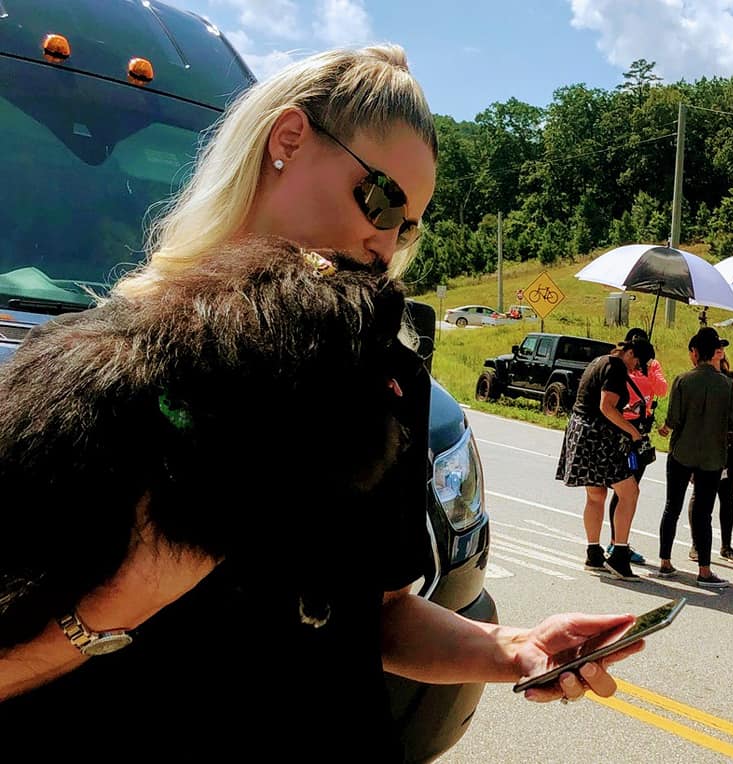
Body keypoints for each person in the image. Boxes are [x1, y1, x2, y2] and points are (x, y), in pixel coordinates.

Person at [0, 45, 644, 752]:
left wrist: (513, 649)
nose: (386, 241)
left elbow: (379, 614)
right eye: (381, 198)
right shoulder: (95, 371)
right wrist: (118, 605)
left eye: (409, 225)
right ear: (287, 140)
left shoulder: (385, 379)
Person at [655, 327, 733, 588]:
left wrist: (665, 429)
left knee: (672, 507)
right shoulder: (727, 385)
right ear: (714, 352)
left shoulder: (682, 380)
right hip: (712, 457)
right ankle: (704, 570)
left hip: (681, 452)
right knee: (704, 513)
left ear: (694, 352)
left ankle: (665, 562)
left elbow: (673, 419)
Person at [557, 341, 647, 579]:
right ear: (629, 353)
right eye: (637, 362)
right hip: (598, 436)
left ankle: (594, 552)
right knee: (630, 492)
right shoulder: (616, 367)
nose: (636, 368)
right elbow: (606, 406)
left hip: (580, 431)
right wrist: (634, 432)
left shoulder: (599, 361)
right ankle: (619, 555)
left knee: (596, 495)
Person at [605, 327, 668, 564]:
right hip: (621, 427)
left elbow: (661, 389)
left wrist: (649, 368)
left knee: (632, 488)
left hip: (641, 430)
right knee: (621, 488)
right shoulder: (621, 366)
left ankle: (621, 541)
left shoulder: (652, 365)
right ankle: (615, 542)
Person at [686, 348, 733, 564]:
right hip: (704, 445)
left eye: (722, 347)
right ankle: (696, 544)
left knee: (726, 496)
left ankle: (726, 546)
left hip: (728, 445)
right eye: (714, 347)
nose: (719, 350)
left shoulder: (732, 378)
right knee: (700, 495)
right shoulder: (699, 376)